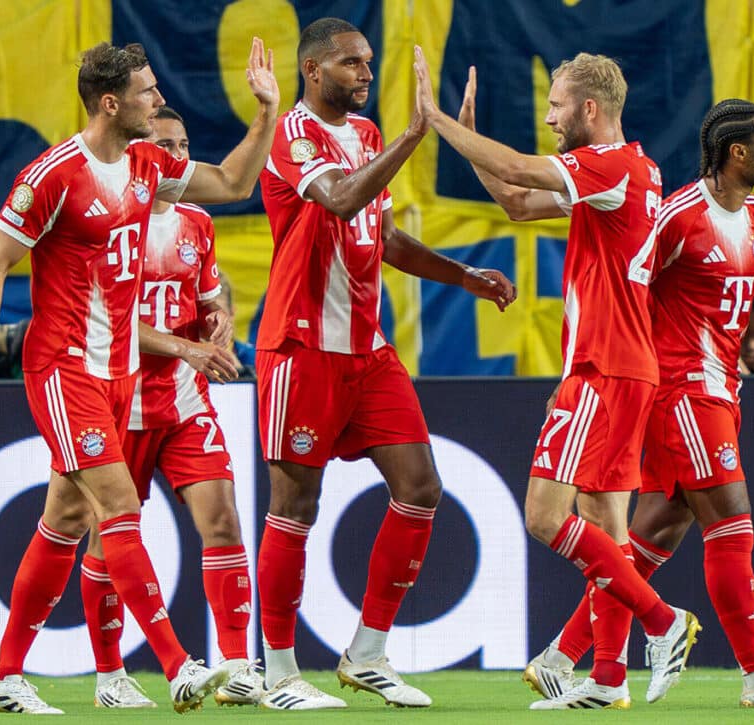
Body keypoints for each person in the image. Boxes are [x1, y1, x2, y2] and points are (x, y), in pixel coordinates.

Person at [0, 38, 279, 714]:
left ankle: (2, 674)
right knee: (119, 507)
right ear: (111, 103)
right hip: (63, 367)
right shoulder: (52, 174)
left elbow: (232, 185)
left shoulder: (144, 164)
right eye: (147, 91)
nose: (158, 99)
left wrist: (265, 114)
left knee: (66, 518)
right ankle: (177, 664)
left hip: (120, 372)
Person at [528, 99, 754, 708]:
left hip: (720, 390)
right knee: (731, 521)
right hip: (680, 390)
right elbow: (626, 285)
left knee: (650, 538)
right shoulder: (679, 215)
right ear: (738, 152)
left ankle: (573, 659)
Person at [414, 52, 699, 709]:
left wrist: (434, 122)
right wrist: (473, 143)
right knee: (607, 526)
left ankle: (662, 620)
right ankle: (606, 678)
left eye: (556, 104)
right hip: (626, 367)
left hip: (605, 368)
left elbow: (518, 168)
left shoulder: (607, 164)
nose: (547, 116)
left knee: (545, 516)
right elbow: (516, 201)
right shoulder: (636, 171)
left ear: (590, 110)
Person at [254, 18, 516, 710]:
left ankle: (367, 652)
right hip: (303, 346)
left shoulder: (366, 137)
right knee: (296, 504)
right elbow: (341, 199)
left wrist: (464, 275)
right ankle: (279, 671)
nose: (366, 74)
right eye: (351, 64)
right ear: (313, 71)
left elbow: (386, 234)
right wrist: (415, 134)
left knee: (421, 486)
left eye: (369, 63)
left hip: (366, 352)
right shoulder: (292, 136)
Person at [79, 106, 262, 709]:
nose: (177, 156)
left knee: (224, 521)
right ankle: (110, 676)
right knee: (106, 541)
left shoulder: (196, 222)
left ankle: (239, 667)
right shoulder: (110, 221)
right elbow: (112, 321)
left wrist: (219, 321)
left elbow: (209, 293)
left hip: (185, 399)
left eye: (184, 144)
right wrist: (187, 345)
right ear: (137, 152)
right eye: (165, 145)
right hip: (119, 400)